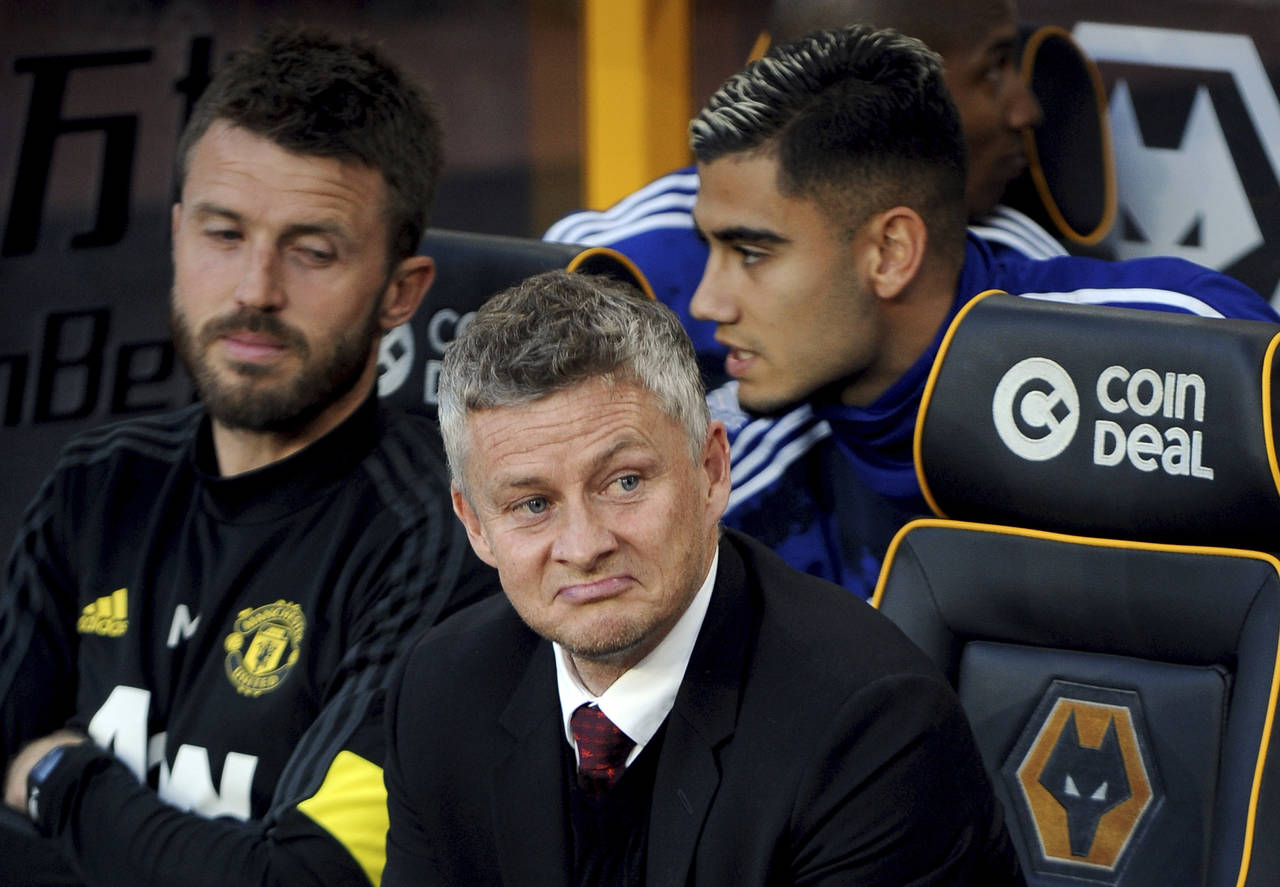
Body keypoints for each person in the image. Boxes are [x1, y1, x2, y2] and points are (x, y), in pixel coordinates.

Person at [0, 25, 495, 887]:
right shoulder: (97, 483)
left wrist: (58, 779)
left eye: (312, 251)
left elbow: (301, 883)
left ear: (401, 291)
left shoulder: (446, 532)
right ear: (178, 236)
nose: (254, 289)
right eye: (224, 234)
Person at [380, 268, 1023, 886]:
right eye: (532, 505)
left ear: (712, 470)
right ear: (476, 525)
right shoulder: (440, 690)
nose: (583, 547)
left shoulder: (872, 730)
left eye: (624, 482)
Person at [689, 25, 1280, 600]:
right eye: (709, 249)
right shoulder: (724, 464)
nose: (705, 301)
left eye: (751, 254)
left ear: (890, 254)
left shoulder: (1187, 340)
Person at [543, 0, 1058, 385]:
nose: (1026, 109)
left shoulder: (1020, 274)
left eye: (750, 253)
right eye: (993, 69)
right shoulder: (602, 265)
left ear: (893, 251)